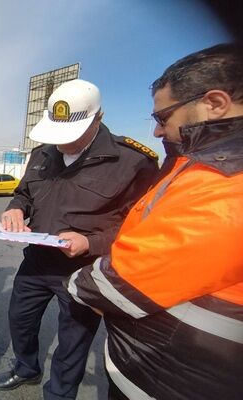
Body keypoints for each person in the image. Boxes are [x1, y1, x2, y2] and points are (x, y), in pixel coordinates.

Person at [67, 44, 243, 400]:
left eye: (163, 118)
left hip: (177, 378)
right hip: (164, 367)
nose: (158, 132)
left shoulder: (226, 181)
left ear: (215, 103)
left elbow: (118, 283)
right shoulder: (195, 161)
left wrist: (80, 281)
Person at [0, 79, 159, 399]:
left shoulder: (133, 162)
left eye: (71, 135)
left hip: (86, 267)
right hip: (37, 259)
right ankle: (26, 367)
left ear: (98, 118)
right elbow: (23, 194)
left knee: (74, 338)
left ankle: (59, 393)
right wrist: (15, 210)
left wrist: (91, 243)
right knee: (19, 318)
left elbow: (142, 227)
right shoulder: (43, 152)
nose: (62, 144)